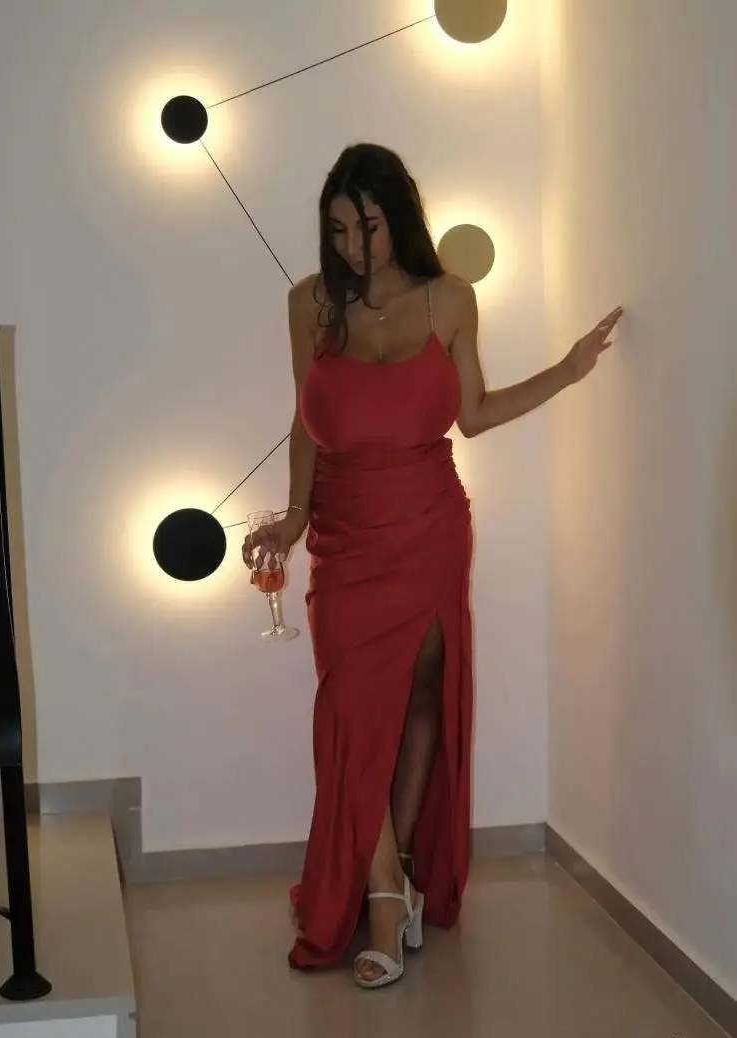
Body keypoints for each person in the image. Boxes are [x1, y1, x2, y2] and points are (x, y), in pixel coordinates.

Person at [242, 142, 622, 989]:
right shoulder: (310, 304)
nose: (353, 247)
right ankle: (384, 895)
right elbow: (305, 422)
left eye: (368, 227)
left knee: (420, 696)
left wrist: (566, 372)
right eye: (338, 230)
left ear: (399, 219)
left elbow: (473, 414)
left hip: (429, 525)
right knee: (350, 711)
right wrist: (295, 517)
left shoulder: (451, 299)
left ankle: (400, 873)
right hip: (344, 532)